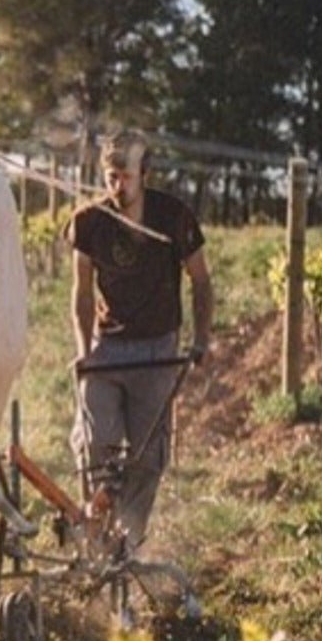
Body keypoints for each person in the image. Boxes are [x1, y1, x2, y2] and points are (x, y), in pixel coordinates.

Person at [68, 129, 213, 551]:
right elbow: (80, 291)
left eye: (126, 177)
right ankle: (96, 535)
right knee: (96, 446)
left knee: (148, 458)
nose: (118, 186)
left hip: (156, 351)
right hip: (106, 350)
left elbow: (201, 281)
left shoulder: (174, 218)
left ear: (144, 174)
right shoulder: (90, 223)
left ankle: (128, 545)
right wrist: (84, 351)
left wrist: (199, 341)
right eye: (111, 177)